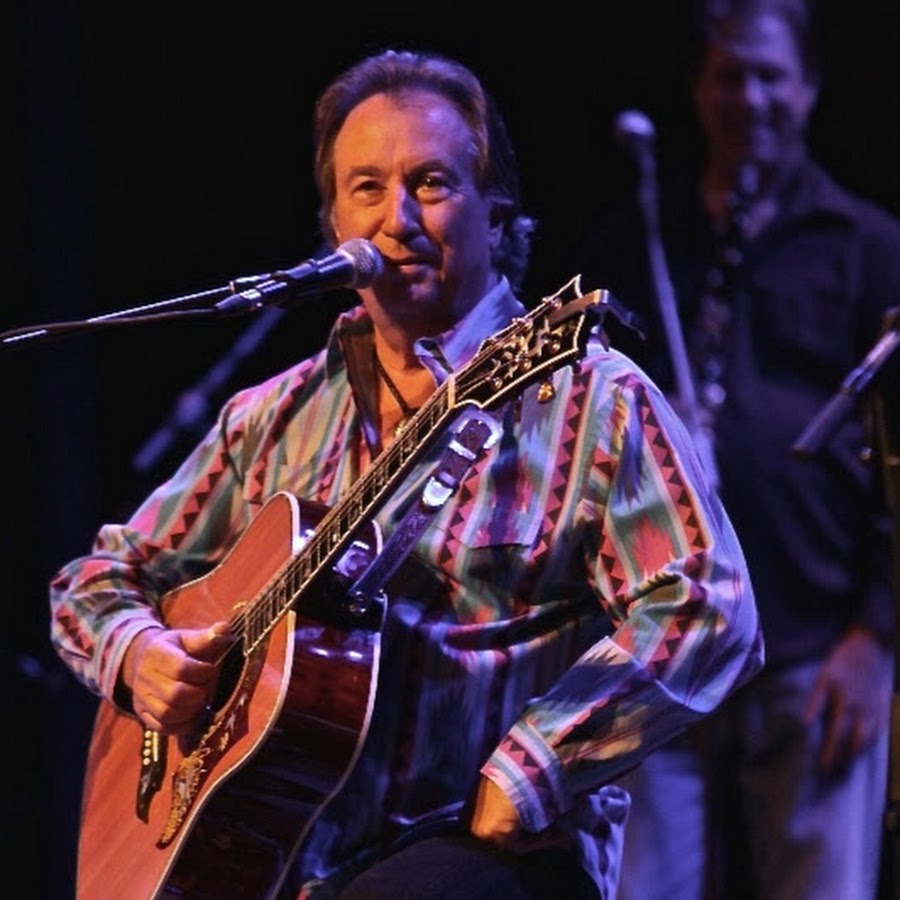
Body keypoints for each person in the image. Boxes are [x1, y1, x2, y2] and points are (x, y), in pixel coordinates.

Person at [48, 48, 763, 900]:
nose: (397, 219)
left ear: (496, 216)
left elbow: (708, 606)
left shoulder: (590, 398)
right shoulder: (272, 418)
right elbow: (96, 579)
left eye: (431, 183)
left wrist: (535, 766)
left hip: (486, 850)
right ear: (333, 226)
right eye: (367, 188)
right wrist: (139, 656)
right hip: (278, 855)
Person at [573, 1, 899, 898]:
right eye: (729, 76)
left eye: (769, 76)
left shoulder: (870, 248)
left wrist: (877, 638)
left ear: (810, 88)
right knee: (638, 885)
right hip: (658, 643)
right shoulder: (641, 236)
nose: (748, 98)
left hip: (815, 646)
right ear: (697, 88)